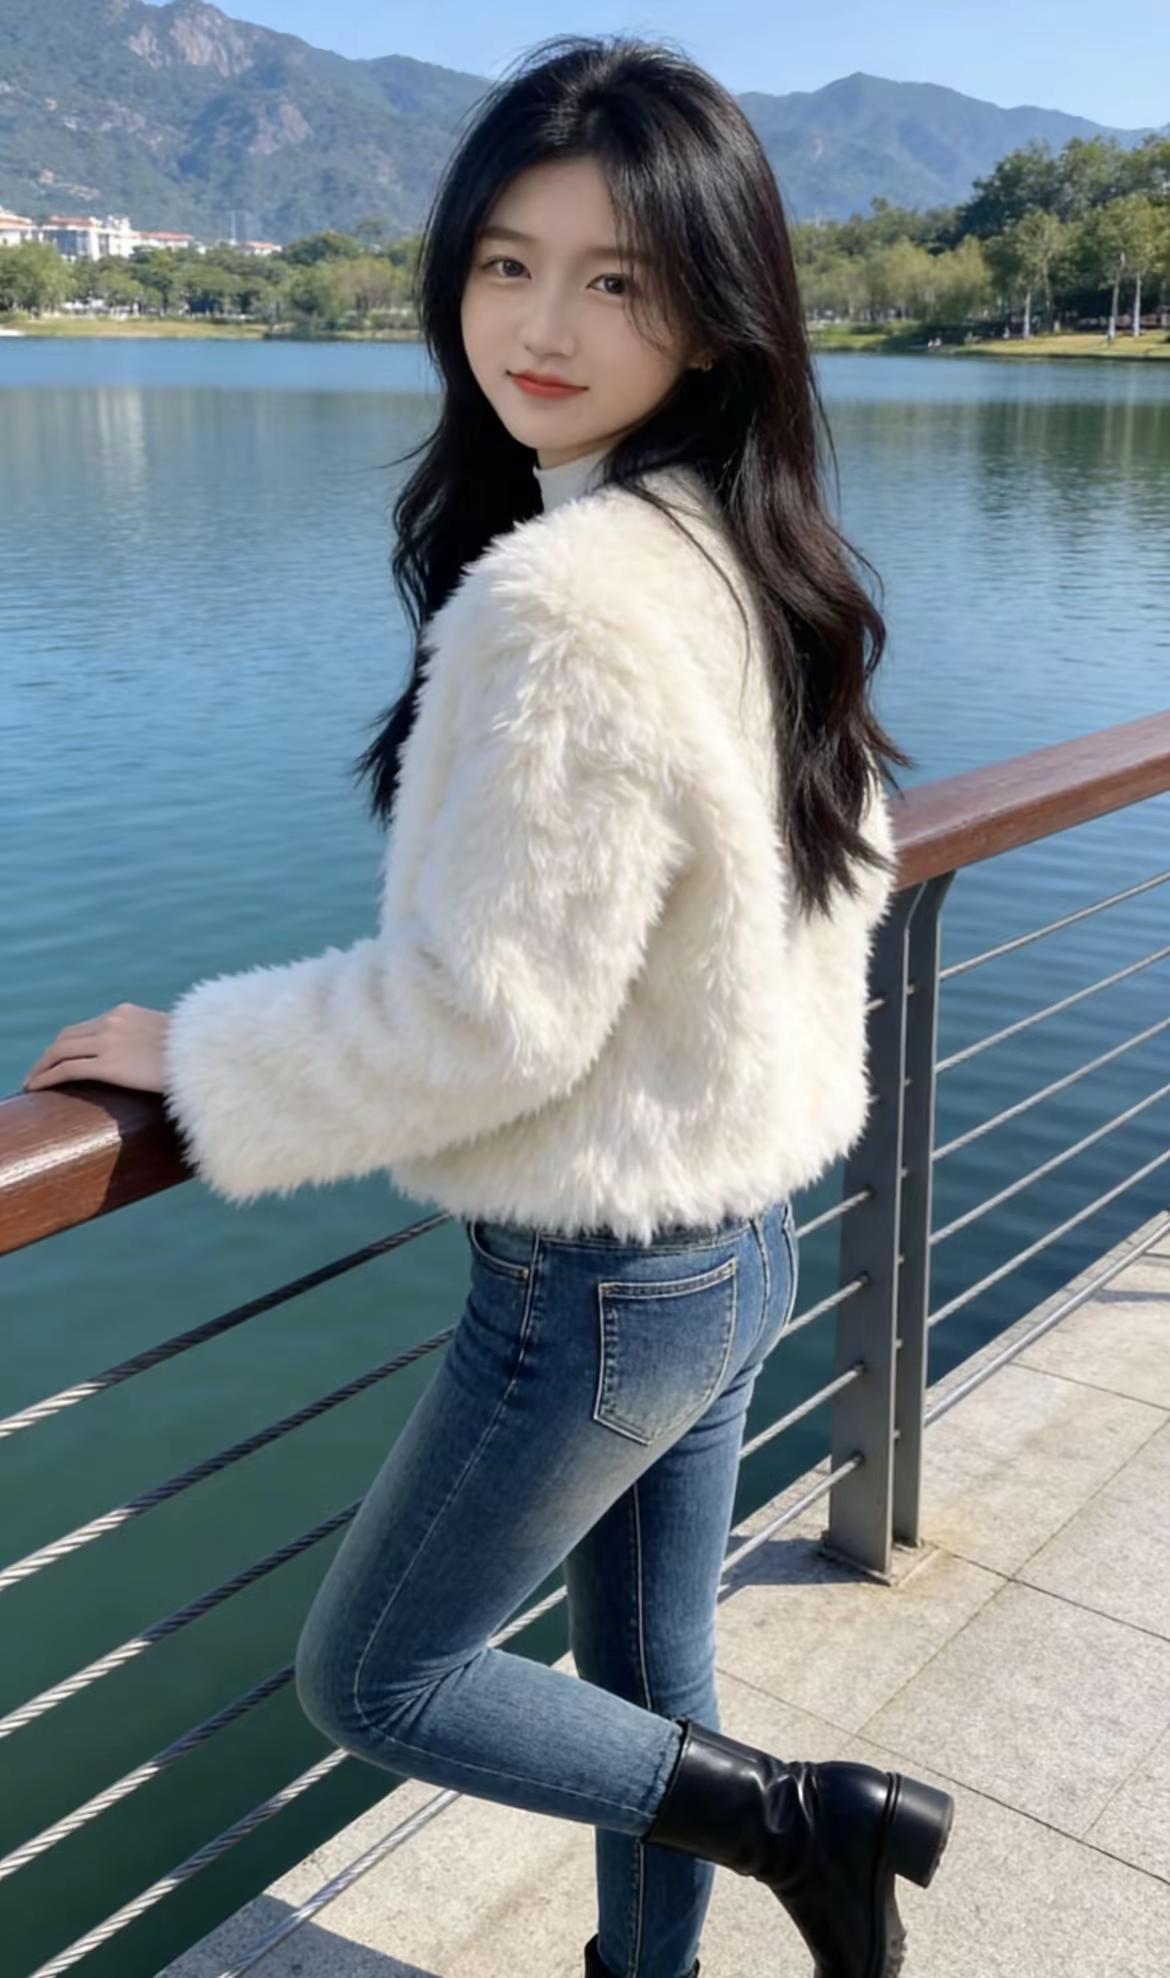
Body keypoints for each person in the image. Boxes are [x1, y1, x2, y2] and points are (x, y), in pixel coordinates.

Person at [25, 31, 953, 1978]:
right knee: (653, 1674)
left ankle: (804, 1822)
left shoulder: (570, 598)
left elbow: (493, 1020)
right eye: (506, 262)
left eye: (617, 278)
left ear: (712, 312)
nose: (540, 323)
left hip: (594, 1277)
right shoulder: (744, 545)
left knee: (378, 1671)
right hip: (737, 1230)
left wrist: (202, 1053)